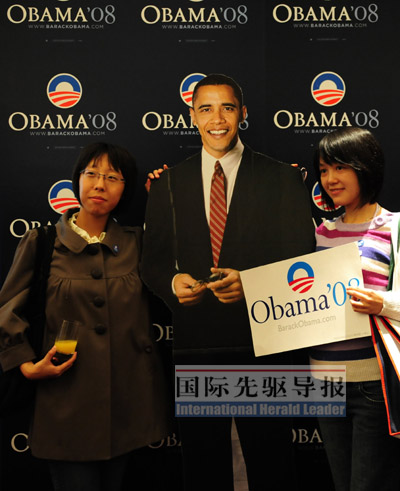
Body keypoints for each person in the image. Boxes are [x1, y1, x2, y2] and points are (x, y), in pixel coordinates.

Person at [140, 73, 316, 491]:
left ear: (243, 113)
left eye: (228, 108)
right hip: (199, 346)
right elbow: (153, 262)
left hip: (266, 344)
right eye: (206, 109)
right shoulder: (167, 183)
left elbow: (303, 262)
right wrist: (173, 282)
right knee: (204, 469)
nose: (217, 119)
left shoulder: (282, 177)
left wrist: (252, 284)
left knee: (273, 465)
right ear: (192, 116)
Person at [0, 142, 171, 491]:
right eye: (91, 173)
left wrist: (167, 200)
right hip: (64, 402)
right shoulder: (41, 242)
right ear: (77, 179)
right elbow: (8, 311)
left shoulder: (138, 244)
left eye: (113, 177)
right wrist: (26, 366)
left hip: (127, 404)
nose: (100, 184)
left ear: (125, 189)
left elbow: (183, 268)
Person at [311, 127, 400, 491]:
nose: (330, 179)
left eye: (340, 167)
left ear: (365, 167)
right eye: (323, 170)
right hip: (324, 382)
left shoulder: (394, 227)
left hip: (372, 384)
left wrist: (383, 303)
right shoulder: (321, 233)